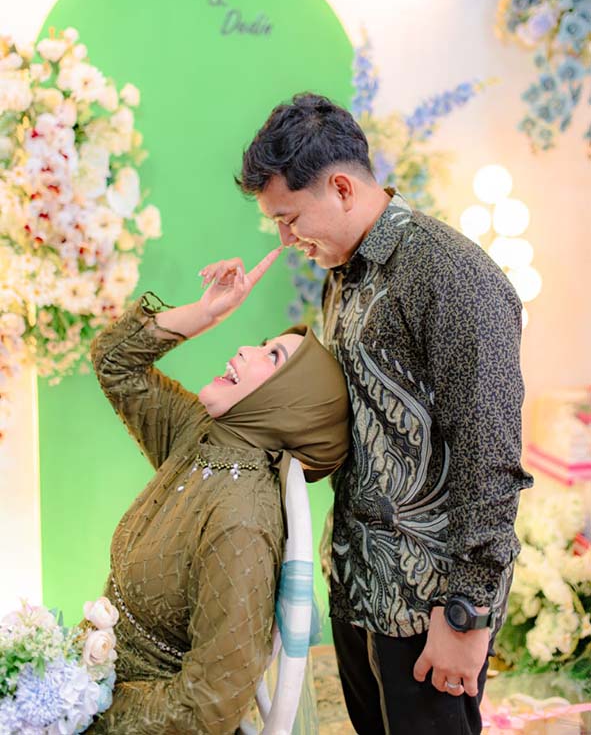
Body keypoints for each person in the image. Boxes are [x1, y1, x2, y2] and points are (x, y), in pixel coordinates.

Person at [236, 93, 534, 735]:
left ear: (341, 188)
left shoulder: (452, 275)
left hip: (431, 606)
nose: (286, 239)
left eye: (290, 219)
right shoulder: (343, 273)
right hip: (358, 585)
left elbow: (490, 456)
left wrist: (467, 616)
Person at [86, 246, 349, 734]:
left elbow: (209, 707)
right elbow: (114, 363)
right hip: (87, 685)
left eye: (272, 357)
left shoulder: (242, 521)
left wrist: (86, 707)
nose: (247, 349)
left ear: (289, 404)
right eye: (264, 343)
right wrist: (205, 312)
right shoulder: (201, 435)